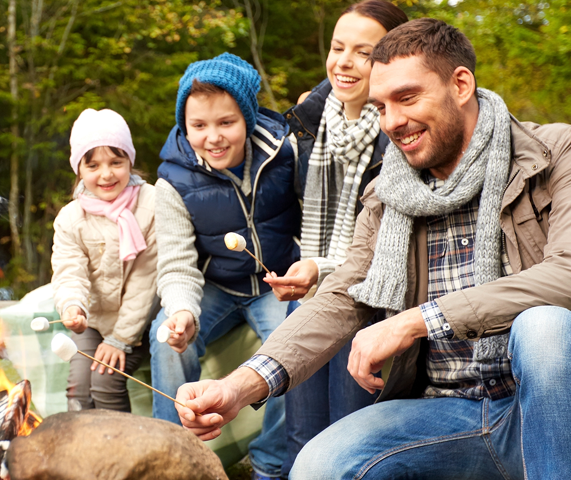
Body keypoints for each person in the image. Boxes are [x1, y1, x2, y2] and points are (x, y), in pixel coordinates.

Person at [175, 18, 571, 479]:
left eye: (407, 98)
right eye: (381, 106)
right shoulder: (388, 190)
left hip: (544, 409)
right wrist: (240, 386)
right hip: (444, 413)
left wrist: (418, 320)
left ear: (460, 84)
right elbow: (344, 294)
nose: (393, 122)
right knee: (317, 465)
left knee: (545, 326)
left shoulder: (552, 151)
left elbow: (565, 274)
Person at [263, 1, 407, 475]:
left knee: (349, 439)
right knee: (300, 437)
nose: (343, 62)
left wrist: (320, 268)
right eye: (337, 47)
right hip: (306, 296)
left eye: (362, 53)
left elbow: (387, 243)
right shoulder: (309, 122)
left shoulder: (400, 138)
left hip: (367, 304)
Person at [149, 53, 299, 479]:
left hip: (277, 283)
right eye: (198, 126)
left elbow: (314, 221)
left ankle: (269, 464)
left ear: (247, 118)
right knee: (165, 336)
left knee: (295, 345)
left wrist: (304, 269)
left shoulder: (285, 154)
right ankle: (173, 458)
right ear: (184, 126)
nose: (212, 137)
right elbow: (177, 263)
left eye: (225, 123)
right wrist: (182, 312)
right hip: (216, 286)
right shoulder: (173, 180)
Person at [51, 108, 157, 413]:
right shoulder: (72, 218)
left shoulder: (150, 204)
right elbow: (70, 271)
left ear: (130, 162)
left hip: (138, 323)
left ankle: (119, 455)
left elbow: (145, 281)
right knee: (79, 389)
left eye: (116, 162)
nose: (106, 174)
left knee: (105, 379)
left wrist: (120, 339)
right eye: (93, 165)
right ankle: (81, 453)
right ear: (79, 170)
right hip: (94, 320)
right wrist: (73, 306)